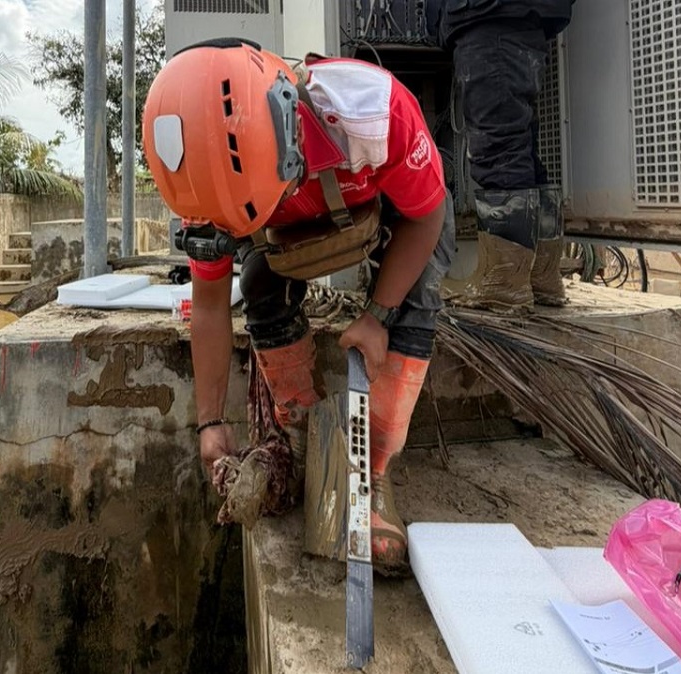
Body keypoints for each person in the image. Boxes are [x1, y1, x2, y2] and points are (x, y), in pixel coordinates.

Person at [142, 38, 454, 575]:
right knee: (259, 283)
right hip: (286, 241)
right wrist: (209, 421)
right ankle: (309, 441)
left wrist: (377, 316)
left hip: (383, 210)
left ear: (288, 134)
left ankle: (373, 470)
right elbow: (211, 306)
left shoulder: (371, 111)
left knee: (420, 286)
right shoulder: (204, 185)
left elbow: (426, 217)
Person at [428, 0, 574, 310]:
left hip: (488, 14)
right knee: (520, 147)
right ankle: (540, 278)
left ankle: (503, 285)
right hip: (516, 16)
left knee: (498, 150)